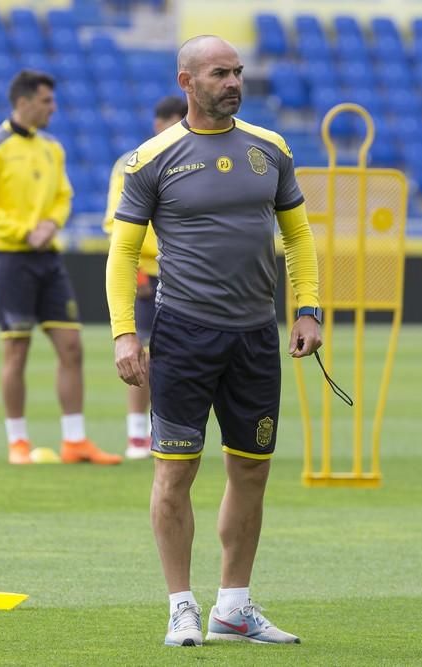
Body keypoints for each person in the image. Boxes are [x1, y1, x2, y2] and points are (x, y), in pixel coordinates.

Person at [105, 36, 323, 646]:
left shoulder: (271, 149)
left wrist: (307, 309)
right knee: (175, 474)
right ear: (187, 81)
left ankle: (234, 606)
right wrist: (126, 332)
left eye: (238, 72)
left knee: (251, 471)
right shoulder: (151, 159)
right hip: (182, 334)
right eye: (220, 73)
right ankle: (181, 605)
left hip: (256, 335)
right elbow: (122, 253)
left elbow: (300, 239)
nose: (233, 81)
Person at [0, 70, 121, 466]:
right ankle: (17, 442)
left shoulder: (53, 148)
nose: (53, 108)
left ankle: (75, 440)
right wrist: (22, 231)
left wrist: (51, 223)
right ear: (24, 102)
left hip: (48, 258)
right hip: (11, 259)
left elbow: (63, 196)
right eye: (47, 101)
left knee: (72, 346)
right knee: (17, 350)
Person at [102, 95, 188, 460]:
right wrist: (143, 260)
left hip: (185, 273)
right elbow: (115, 222)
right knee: (141, 351)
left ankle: (166, 429)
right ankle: (138, 433)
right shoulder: (133, 163)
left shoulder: (195, 160)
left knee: (179, 353)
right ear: (160, 124)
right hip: (148, 270)